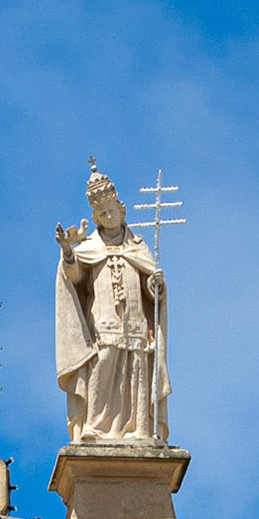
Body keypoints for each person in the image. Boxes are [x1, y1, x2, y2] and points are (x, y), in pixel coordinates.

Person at [54, 165, 169, 448]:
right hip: (104, 321)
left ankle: (141, 427)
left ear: (122, 210)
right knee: (104, 364)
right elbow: (75, 277)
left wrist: (155, 286)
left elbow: (151, 290)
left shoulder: (138, 247)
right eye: (102, 214)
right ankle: (95, 424)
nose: (108, 217)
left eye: (112, 211)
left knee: (137, 370)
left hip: (135, 321)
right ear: (96, 218)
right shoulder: (90, 248)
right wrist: (69, 251)